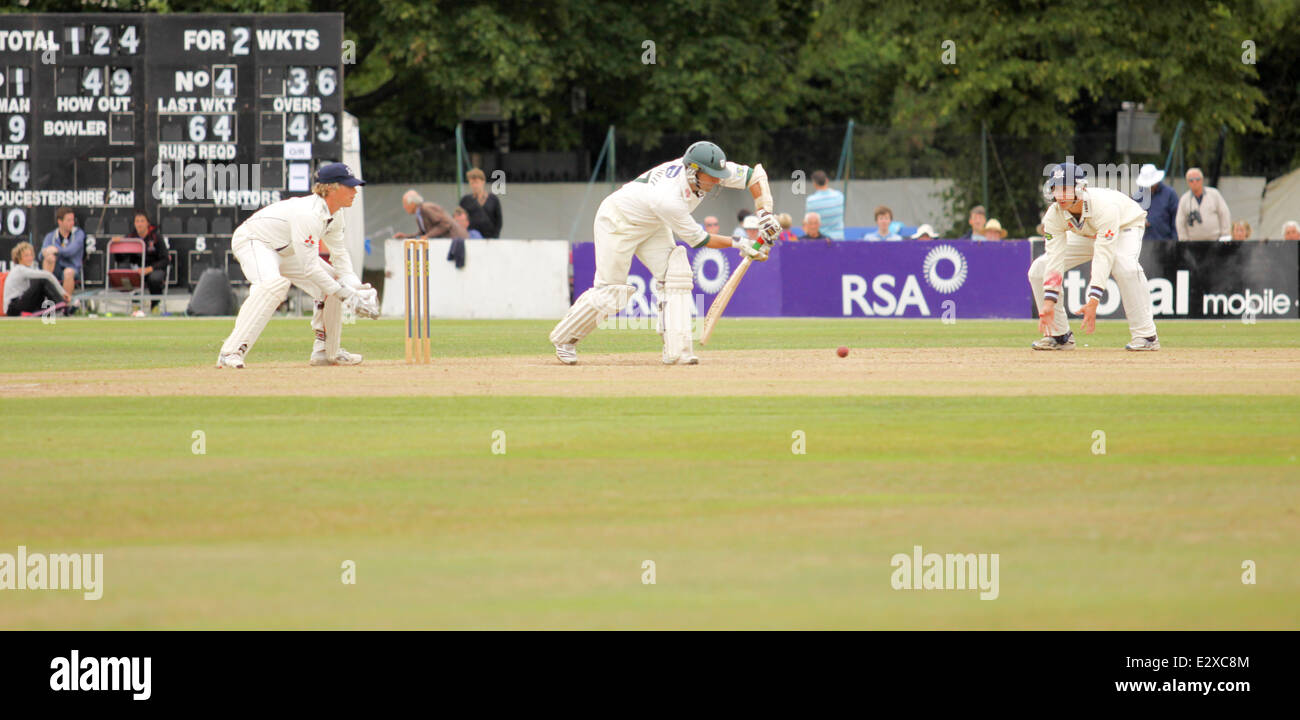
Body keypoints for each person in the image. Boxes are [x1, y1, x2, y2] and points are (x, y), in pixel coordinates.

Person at [548, 141, 778, 365]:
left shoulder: (709, 171)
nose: (718, 180)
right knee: (612, 293)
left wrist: (765, 215)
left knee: (676, 274)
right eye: (712, 176)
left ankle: (677, 351)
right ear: (693, 172)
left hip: (652, 223)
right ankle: (564, 340)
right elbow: (698, 239)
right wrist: (740, 243)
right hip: (618, 222)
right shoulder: (668, 198)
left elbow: (755, 176)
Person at [215, 163, 380, 369]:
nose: (355, 191)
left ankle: (326, 352)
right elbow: (310, 268)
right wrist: (347, 296)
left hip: (288, 249)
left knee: (333, 282)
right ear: (331, 188)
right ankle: (230, 352)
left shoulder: (336, 214)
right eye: (349, 186)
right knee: (273, 285)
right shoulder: (308, 214)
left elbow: (340, 256)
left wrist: (357, 289)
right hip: (254, 241)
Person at [1028, 161, 1159, 351]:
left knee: (1124, 266)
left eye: (1066, 188)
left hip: (1125, 225)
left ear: (1079, 188)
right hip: (1086, 232)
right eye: (1056, 189)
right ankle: (1059, 336)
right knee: (1039, 269)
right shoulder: (1053, 215)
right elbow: (1055, 259)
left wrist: (1093, 299)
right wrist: (1049, 302)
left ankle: (1146, 335)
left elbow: (1103, 255)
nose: (1060, 195)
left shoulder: (1104, 207)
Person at [111, 211, 169, 312]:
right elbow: (120, 259)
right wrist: (117, 246)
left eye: (142, 221)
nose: (140, 224)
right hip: (137, 270)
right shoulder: (130, 237)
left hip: (153, 269)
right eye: (137, 221)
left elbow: (166, 259)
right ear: (134, 224)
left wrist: (149, 269)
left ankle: (155, 305)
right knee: (124, 274)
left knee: (155, 278)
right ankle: (136, 303)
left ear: (147, 223)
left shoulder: (156, 237)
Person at [4, 242, 70, 316]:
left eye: (31, 255)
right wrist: (62, 293)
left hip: (21, 303)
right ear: (19, 258)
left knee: (40, 286)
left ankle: (52, 310)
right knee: (42, 280)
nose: (30, 258)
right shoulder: (20, 269)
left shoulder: (28, 269)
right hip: (13, 307)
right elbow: (48, 275)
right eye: (26, 256)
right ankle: (60, 305)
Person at [40, 207, 85, 299]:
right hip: (55, 268)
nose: (72, 223)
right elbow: (40, 255)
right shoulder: (50, 236)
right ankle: (44, 298)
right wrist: (46, 252)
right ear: (60, 222)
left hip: (72, 268)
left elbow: (70, 251)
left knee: (68, 272)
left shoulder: (79, 234)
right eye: (68, 220)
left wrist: (56, 249)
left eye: (72, 220)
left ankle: (64, 305)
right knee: (49, 258)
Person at [1176, 167, 1231, 241]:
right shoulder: (1184, 199)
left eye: (1197, 179)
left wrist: (1225, 234)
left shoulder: (1214, 194)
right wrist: (1183, 240)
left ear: (1202, 180)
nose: (1195, 182)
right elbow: (1180, 221)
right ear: (1187, 182)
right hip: (1193, 243)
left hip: (1215, 240)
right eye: (1191, 180)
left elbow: (1224, 214)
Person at [395, 191, 466, 240]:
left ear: (412, 203)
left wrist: (428, 236)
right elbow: (423, 234)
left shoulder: (426, 209)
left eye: (405, 204)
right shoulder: (419, 214)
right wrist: (406, 237)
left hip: (457, 241)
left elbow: (445, 224)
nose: (404, 207)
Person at [1133, 164, 1178, 241]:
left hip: (1164, 242)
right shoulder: (1138, 196)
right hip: (1143, 243)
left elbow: (1176, 220)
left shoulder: (1170, 194)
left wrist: (1174, 242)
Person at [458, 168, 502, 238]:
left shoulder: (493, 199)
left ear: (483, 182)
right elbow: (459, 218)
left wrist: (495, 237)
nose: (474, 185)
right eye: (472, 183)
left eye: (476, 182)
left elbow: (498, 221)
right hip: (471, 237)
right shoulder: (465, 200)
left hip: (490, 238)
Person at [804, 170, 845, 240]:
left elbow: (808, 221)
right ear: (827, 180)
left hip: (821, 240)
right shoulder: (839, 196)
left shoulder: (811, 201)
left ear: (814, 183)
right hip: (839, 238)